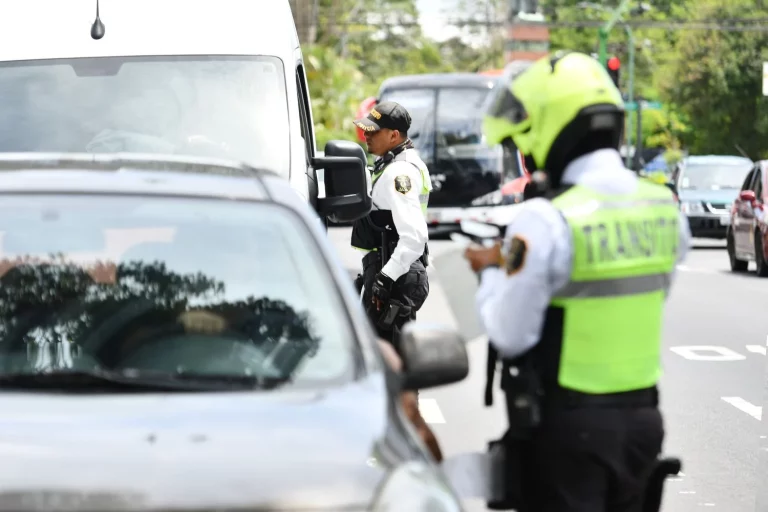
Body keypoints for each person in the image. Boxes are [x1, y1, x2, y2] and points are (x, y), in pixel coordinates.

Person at [463, 51, 691, 511]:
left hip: (570, 429)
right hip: (643, 424)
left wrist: (490, 271)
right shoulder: (664, 208)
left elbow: (510, 335)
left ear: (555, 127)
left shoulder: (547, 220)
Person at [351, 101, 432, 353]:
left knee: (391, 361)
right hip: (391, 270)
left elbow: (414, 236)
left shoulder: (400, 172)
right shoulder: (391, 164)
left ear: (393, 135)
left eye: (374, 131)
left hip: (396, 276)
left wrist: (386, 279)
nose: (367, 135)